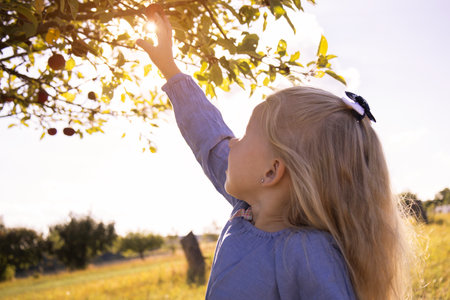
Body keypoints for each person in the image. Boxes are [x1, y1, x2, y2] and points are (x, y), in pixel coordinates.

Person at [136, 11, 412, 300]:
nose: (230, 143)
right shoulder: (247, 208)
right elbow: (208, 136)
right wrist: (169, 67)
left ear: (271, 172)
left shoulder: (309, 255)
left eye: (243, 135)